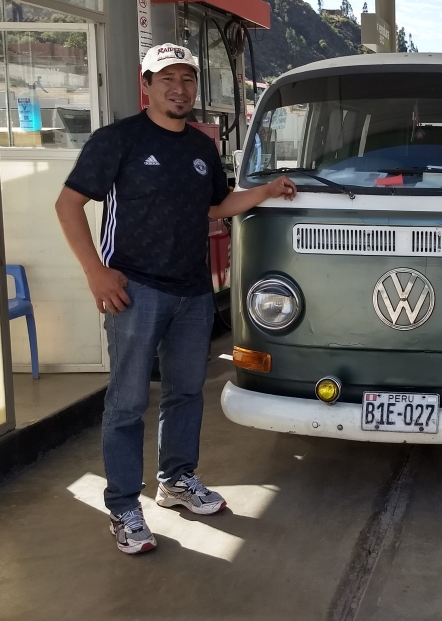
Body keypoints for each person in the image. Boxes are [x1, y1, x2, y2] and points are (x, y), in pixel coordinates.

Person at [55, 44, 297, 553]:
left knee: (185, 394)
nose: (179, 88)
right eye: (167, 78)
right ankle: (124, 507)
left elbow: (217, 206)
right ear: (146, 84)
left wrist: (266, 191)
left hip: (192, 292)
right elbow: (68, 204)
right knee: (127, 403)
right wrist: (96, 273)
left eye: (187, 79)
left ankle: (176, 481)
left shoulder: (201, 147)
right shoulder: (118, 139)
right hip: (135, 291)